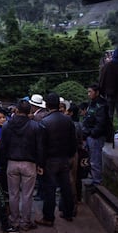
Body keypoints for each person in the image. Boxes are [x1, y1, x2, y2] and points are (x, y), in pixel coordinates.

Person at [36, 93, 77, 226]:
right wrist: (70, 155)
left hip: (50, 160)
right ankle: (68, 213)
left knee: (50, 190)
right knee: (66, 187)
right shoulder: (67, 120)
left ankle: (48, 217)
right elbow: (73, 141)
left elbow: (41, 146)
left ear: (47, 105)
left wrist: (40, 164)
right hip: (64, 158)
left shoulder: (44, 122)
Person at [0, 99, 41, 232]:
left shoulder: (7, 125)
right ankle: (25, 222)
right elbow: (39, 147)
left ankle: (14, 220)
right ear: (29, 111)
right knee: (27, 195)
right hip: (29, 164)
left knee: (13, 194)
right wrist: (40, 164)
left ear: (16, 110)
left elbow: (3, 146)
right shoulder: (35, 126)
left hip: (12, 163)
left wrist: (3, 163)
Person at [82, 84, 109, 185]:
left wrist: (92, 133)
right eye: (88, 92)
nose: (88, 94)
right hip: (89, 135)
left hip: (95, 136)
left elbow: (101, 123)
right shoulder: (92, 103)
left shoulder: (101, 105)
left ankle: (97, 182)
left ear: (97, 92)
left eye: (90, 92)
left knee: (95, 160)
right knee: (91, 159)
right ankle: (94, 179)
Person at [28, 94, 48, 201]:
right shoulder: (43, 114)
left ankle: (41, 193)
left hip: (40, 147)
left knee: (40, 172)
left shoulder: (37, 117)